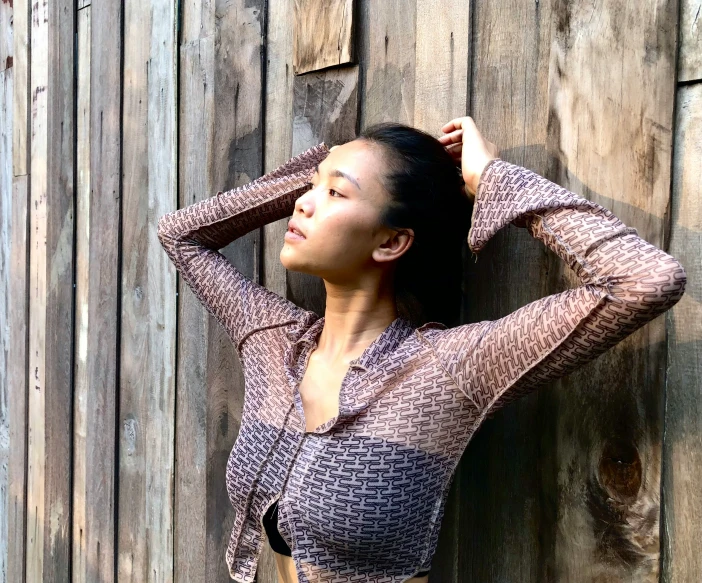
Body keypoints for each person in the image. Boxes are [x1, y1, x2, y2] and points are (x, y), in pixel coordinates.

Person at [157, 117, 686, 583]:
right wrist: (327, 166)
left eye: (336, 194)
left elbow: (645, 282)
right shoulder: (272, 341)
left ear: (391, 241)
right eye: (311, 188)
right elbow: (180, 234)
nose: (303, 200)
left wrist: (493, 180)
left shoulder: (449, 369)